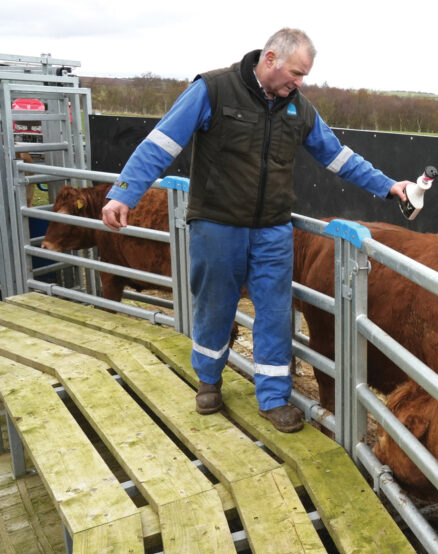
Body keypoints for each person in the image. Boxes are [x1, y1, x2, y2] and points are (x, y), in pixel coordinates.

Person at [101, 28, 411, 433]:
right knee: (215, 305)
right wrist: (124, 192)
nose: (300, 83)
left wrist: (389, 186)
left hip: (272, 230)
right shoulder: (212, 90)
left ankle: (272, 398)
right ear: (270, 59)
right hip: (217, 223)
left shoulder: (299, 109)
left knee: (275, 314)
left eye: (304, 76)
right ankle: (209, 381)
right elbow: (161, 144)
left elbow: (337, 156)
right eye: (296, 73)